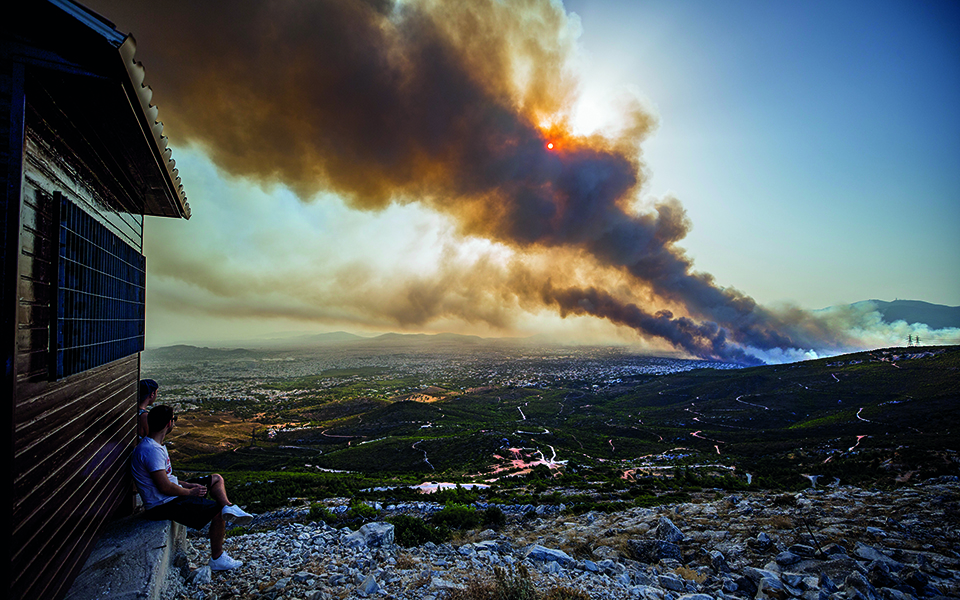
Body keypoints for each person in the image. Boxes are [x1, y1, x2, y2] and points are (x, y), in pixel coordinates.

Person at [132, 405, 254, 571]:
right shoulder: (151, 450)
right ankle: (217, 558)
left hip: (170, 496)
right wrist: (190, 492)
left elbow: (166, 478)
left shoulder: (155, 446)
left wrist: (188, 484)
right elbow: (164, 487)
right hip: (162, 504)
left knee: (216, 479)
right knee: (217, 512)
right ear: (168, 424)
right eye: (174, 419)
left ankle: (229, 507)